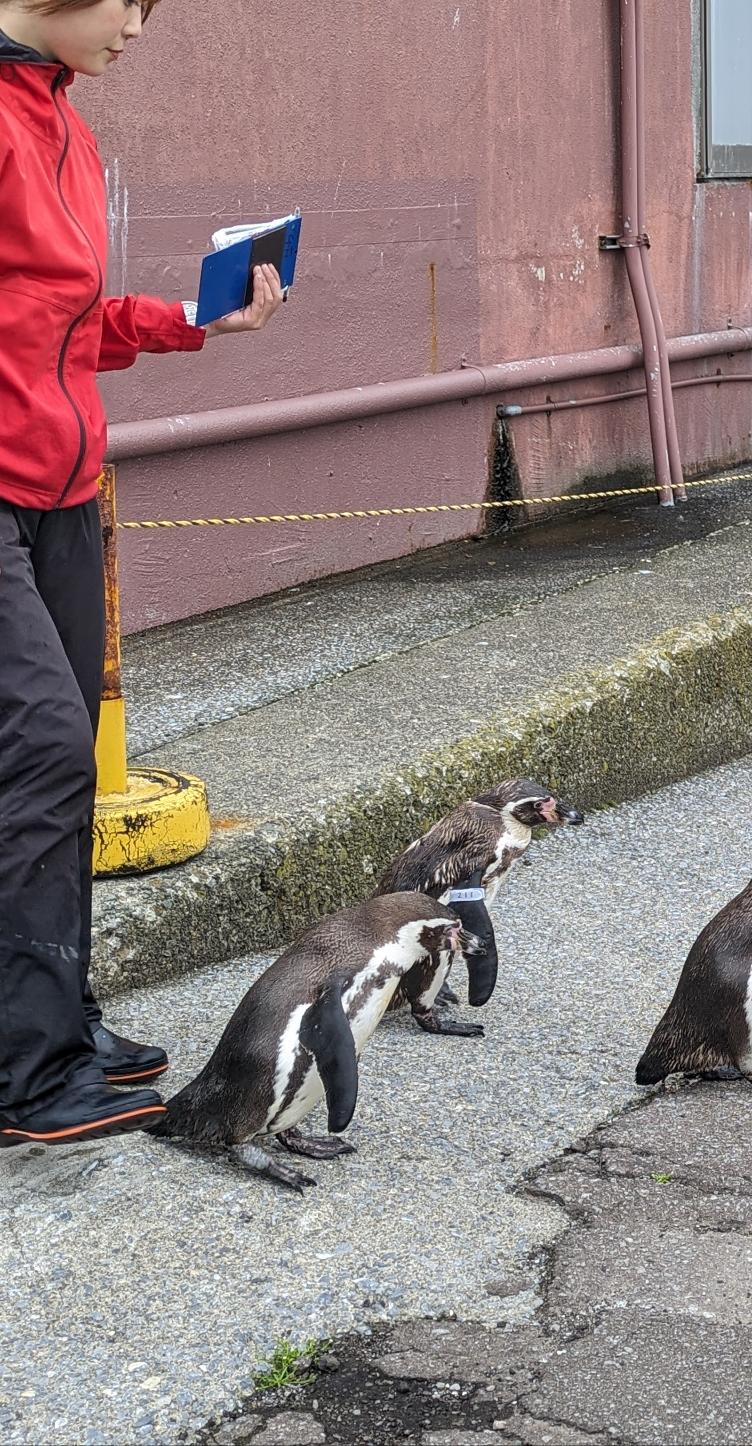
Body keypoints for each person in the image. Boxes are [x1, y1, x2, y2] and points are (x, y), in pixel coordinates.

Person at [0, 0, 283, 1148]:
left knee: (53, 776)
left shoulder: (59, 120)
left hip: (60, 492)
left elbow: (57, 321)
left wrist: (192, 319)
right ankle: (25, 1076)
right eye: (136, 2)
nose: (139, 28)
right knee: (43, 750)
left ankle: (54, 1020)